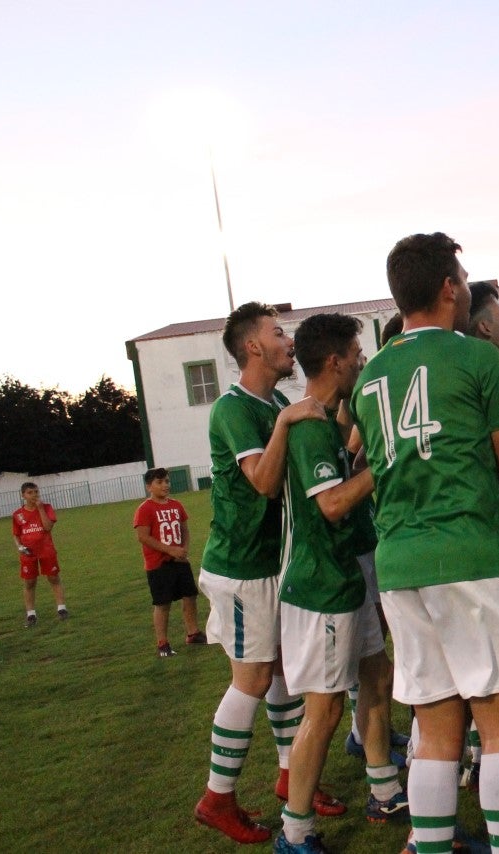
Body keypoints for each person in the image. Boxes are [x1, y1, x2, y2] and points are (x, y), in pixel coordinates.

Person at [352, 232, 499, 854]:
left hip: (401, 561)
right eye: (460, 278)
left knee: (435, 729)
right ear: (446, 287)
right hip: (470, 554)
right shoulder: (476, 358)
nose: (465, 287)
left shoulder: (372, 372)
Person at [193, 302, 335, 845]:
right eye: (278, 332)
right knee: (251, 679)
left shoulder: (275, 399)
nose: (288, 340)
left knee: (278, 671)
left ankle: (286, 775)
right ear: (253, 346)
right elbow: (264, 482)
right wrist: (285, 420)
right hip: (242, 568)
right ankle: (217, 798)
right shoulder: (233, 409)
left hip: (271, 563)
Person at [274, 313, 405, 854]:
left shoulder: (325, 420)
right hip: (320, 587)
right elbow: (330, 505)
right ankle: (294, 831)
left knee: (376, 676)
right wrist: (382, 463)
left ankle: (385, 790)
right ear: (335, 362)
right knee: (323, 710)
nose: (360, 361)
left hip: (345, 576)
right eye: (355, 353)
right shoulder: (307, 426)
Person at [133, 468, 202, 656]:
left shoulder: (177, 505)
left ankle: (193, 633)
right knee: (163, 604)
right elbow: (143, 537)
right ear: (149, 486)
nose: (165, 485)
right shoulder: (145, 509)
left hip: (179, 561)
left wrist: (184, 549)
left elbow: (184, 529)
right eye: (160, 482)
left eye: (167, 481)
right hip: (158, 564)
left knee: (190, 596)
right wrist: (170, 550)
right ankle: (162, 643)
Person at [13, 482, 68, 626]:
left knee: (53, 578)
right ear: (23, 495)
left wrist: (40, 508)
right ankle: (31, 614)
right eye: (30, 492)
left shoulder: (47, 508)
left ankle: (61, 608)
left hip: (46, 550)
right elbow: (16, 534)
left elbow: (48, 527)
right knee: (29, 582)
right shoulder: (17, 515)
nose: (34, 495)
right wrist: (19, 547)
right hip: (28, 554)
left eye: (36, 492)